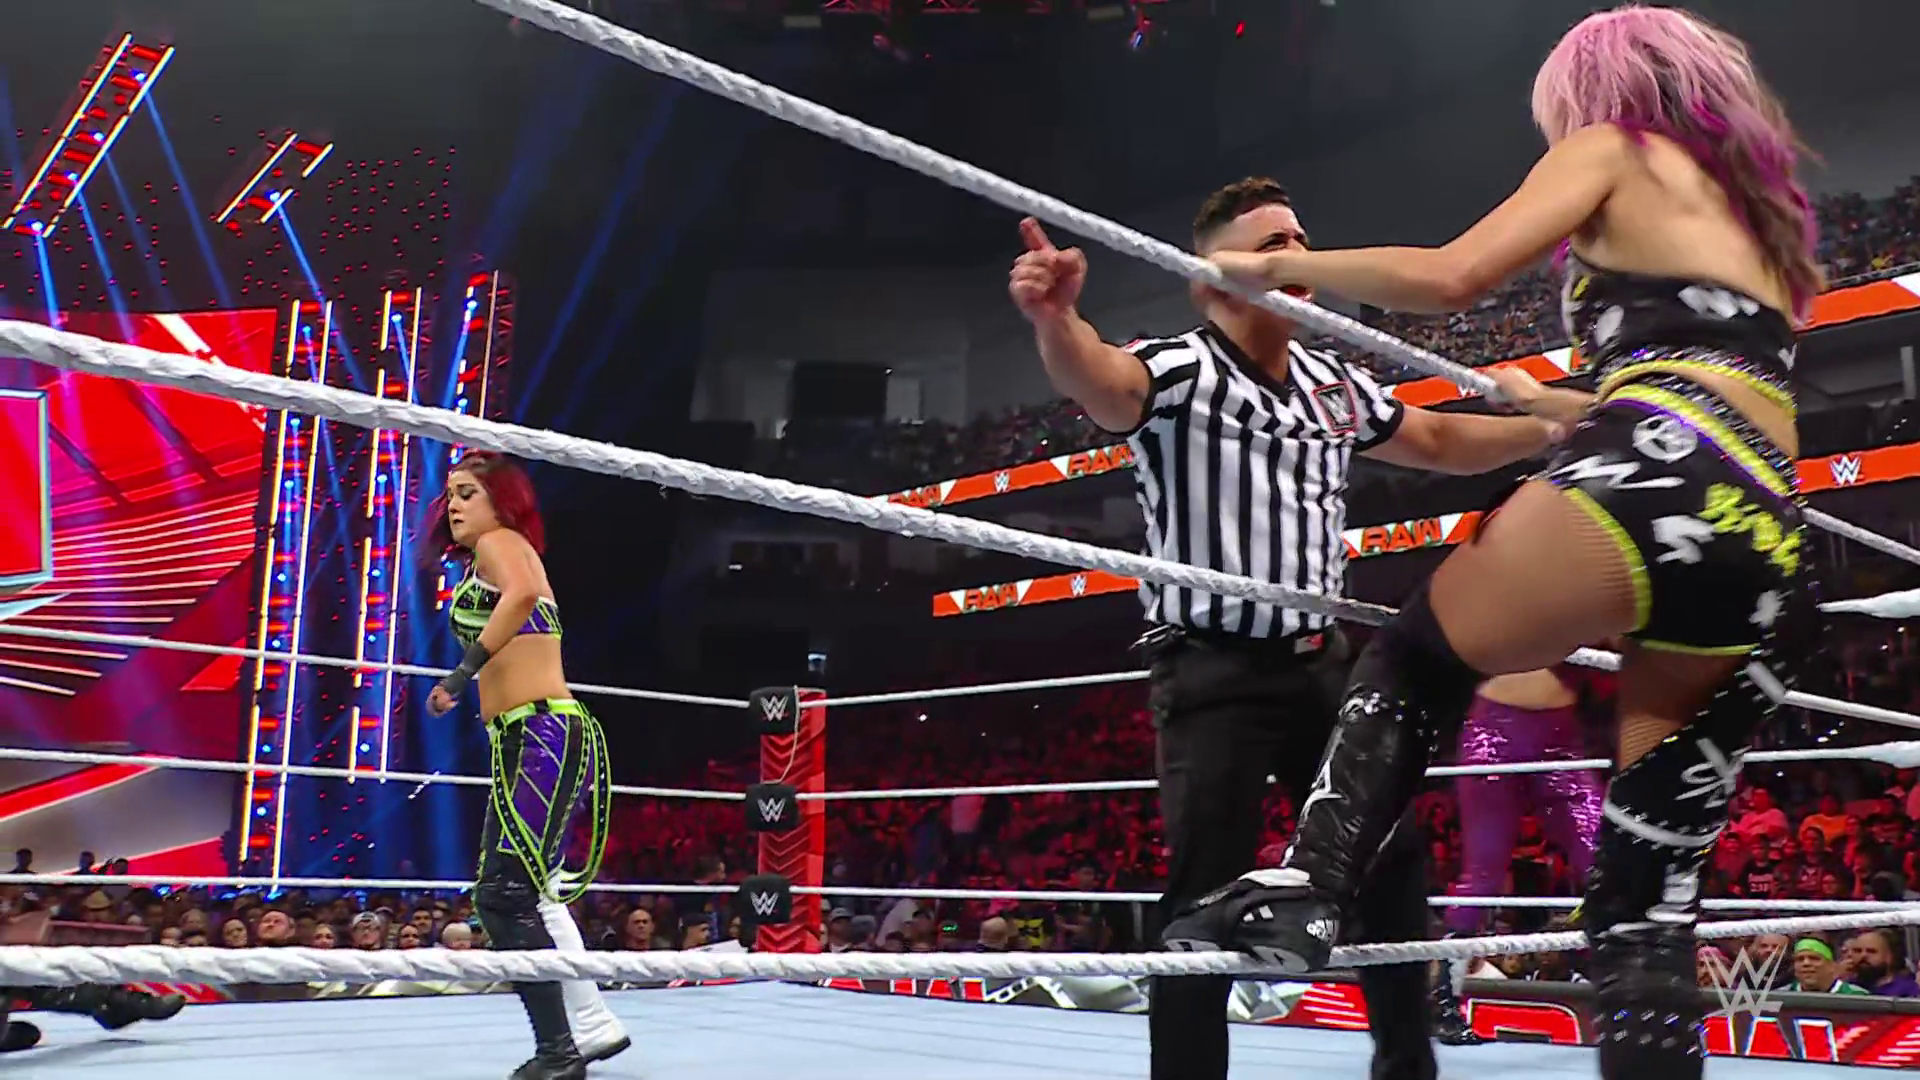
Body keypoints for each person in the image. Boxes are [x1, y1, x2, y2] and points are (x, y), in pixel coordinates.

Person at [1161, 9, 1819, 1080]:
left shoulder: (1613, 147)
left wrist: (1280, 269)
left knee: (1414, 658)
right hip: (1769, 531)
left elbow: (1455, 275)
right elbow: (1701, 373)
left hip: (1655, 468)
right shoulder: (1756, 222)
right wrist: (1543, 405)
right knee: (1643, 916)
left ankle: (1308, 890)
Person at [1010, 172, 1562, 1078]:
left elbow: (1436, 442)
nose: (1297, 255)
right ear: (1212, 281)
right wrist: (1056, 321)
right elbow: (1104, 385)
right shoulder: (1180, 367)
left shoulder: (1331, 382)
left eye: (1301, 239)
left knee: (1389, 859)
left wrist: (1547, 432)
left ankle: (1405, 1066)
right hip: (1211, 671)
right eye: (1271, 244)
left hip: (1322, 666)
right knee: (1204, 896)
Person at [426, 450, 626, 1080]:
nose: (454, 505)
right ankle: (590, 1025)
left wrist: (460, 675)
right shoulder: (491, 554)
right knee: (529, 892)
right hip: (527, 737)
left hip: (542, 733)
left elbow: (525, 596)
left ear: (501, 501)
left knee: (503, 896)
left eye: (468, 493)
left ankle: (558, 1053)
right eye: (450, 494)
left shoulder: (502, 543)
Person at [1445, 668, 1606, 937]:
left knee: (1600, 854)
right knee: (1483, 875)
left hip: (1561, 738)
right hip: (1493, 733)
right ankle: (1450, 957)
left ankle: (1620, 950)